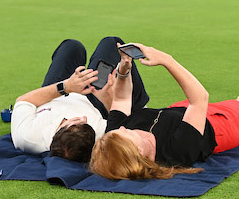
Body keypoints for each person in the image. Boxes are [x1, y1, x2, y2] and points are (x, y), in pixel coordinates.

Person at [89, 43, 239, 180]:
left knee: (233, 107)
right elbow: (200, 99)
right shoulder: (177, 152)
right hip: (220, 128)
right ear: (139, 151)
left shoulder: (113, 137)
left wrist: (124, 70)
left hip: (181, 111)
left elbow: (122, 99)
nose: (122, 126)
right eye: (126, 132)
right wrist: (166, 60)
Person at [11, 37, 149, 163]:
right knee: (111, 44)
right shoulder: (100, 134)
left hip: (56, 94)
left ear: (56, 134)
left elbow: (24, 100)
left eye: (77, 121)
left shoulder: (28, 137)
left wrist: (66, 86)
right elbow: (118, 115)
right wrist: (110, 96)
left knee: (71, 47)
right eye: (85, 122)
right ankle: (140, 107)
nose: (83, 118)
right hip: (95, 100)